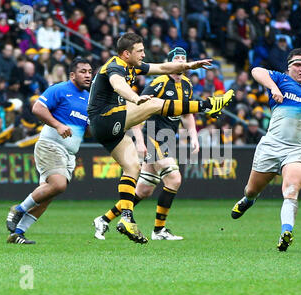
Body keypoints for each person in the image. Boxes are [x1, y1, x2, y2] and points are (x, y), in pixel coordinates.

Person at [87, 32, 233, 244]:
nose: (144, 54)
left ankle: (124, 219)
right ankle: (208, 105)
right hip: (106, 119)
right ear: (126, 53)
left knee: (132, 169)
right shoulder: (115, 66)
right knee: (155, 104)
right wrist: (136, 99)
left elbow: (163, 67)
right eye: (140, 51)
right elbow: (119, 85)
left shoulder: (134, 67)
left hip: (111, 127)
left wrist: (190, 66)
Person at [230, 48, 301, 251]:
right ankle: (249, 200)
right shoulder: (280, 79)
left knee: (291, 190)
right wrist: (273, 88)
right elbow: (256, 71)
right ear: (289, 67)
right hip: (272, 145)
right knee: (252, 189)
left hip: (298, 149)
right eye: (297, 65)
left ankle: (286, 232)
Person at [93, 47, 198, 241]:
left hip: (166, 139)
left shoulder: (187, 84)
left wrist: (194, 135)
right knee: (174, 179)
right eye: (177, 59)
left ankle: (103, 219)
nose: (181, 63)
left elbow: (186, 113)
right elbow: (136, 108)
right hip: (152, 136)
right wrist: (140, 141)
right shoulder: (159, 82)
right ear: (170, 63)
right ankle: (159, 230)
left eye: (184, 59)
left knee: (143, 190)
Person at [5, 58, 93, 244]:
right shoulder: (59, 89)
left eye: (90, 72)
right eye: (83, 71)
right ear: (72, 75)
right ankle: (18, 209)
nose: (88, 75)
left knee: (47, 196)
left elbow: (89, 129)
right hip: (51, 145)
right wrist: (58, 124)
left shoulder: (88, 98)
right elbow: (37, 107)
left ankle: (17, 234)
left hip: (69, 154)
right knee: (58, 185)